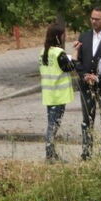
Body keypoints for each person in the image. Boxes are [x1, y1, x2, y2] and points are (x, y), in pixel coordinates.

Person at [74, 6, 101, 160]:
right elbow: (79, 60)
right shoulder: (84, 36)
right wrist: (84, 75)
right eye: (92, 18)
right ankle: (86, 151)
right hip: (85, 84)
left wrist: (97, 76)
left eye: (97, 19)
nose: (94, 21)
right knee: (87, 118)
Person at [39, 23, 75, 162]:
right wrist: (76, 53)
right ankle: (50, 155)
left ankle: (51, 154)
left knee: (52, 124)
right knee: (53, 126)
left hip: (49, 95)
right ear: (58, 36)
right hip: (59, 95)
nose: (65, 36)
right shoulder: (59, 53)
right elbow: (69, 67)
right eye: (64, 34)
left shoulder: (44, 52)